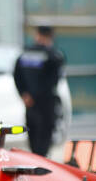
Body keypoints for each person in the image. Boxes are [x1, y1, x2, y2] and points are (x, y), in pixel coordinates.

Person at [13, 26, 64, 156]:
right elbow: (53, 81)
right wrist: (35, 96)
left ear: (37, 35)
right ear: (50, 37)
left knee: (33, 141)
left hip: (29, 105)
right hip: (45, 105)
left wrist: (25, 95)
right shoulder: (54, 56)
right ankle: (41, 170)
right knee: (44, 143)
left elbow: (17, 76)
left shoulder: (24, 55)